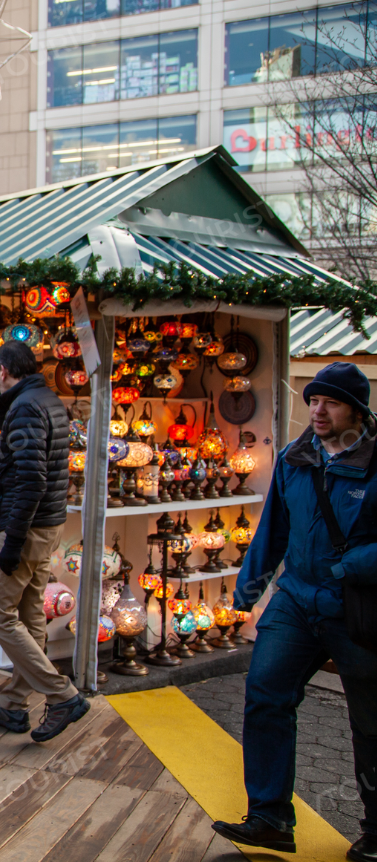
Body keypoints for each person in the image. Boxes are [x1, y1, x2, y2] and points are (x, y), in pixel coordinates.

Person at [212, 362, 377, 860]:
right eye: (312, 401)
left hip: (357, 607)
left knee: (369, 721)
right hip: (296, 599)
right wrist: (248, 588)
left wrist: (351, 566)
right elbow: (273, 530)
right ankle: (269, 818)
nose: (317, 411)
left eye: (330, 402)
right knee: (265, 697)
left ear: (357, 409)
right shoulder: (294, 457)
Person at [0, 340, 88, 743]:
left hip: (29, 527)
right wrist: (1, 404)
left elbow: (30, 477)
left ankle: (62, 695)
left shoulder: (26, 407)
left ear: (3, 370)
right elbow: (27, 450)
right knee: (29, 613)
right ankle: (12, 706)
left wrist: (14, 539)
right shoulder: (43, 399)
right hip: (49, 523)